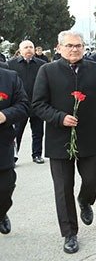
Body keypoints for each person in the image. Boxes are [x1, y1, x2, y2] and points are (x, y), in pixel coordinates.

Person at [32, 30, 96, 254]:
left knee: (93, 176)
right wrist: (59, 118)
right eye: (69, 46)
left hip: (89, 137)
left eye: (78, 46)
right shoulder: (47, 71)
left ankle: (85, 199)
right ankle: (69, 233)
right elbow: (38, 104)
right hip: (58, 139)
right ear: (59, 48)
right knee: (62, 188)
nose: (74, 50)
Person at [0, 66, 29, 235]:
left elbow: (24, 106)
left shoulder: (9, 77)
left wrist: (5, 115)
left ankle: (1, 212)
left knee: (5, 188)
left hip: (2, 145)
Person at [7, 40, 47, 163]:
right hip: (20, 104)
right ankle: (12, 156)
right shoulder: (10, 65)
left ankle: (37, 154)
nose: (29, 49)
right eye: (26, 47)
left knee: (38, 131)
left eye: (31, 47)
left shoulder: (42, 64)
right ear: (20, 50)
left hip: (37, 103)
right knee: (16, 132)